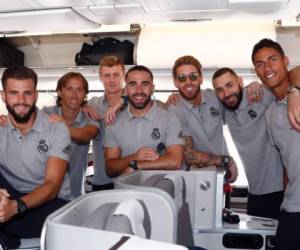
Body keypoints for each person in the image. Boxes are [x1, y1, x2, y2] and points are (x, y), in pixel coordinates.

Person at [0, 66, 71, 249]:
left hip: (50, 200)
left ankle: (8, 231)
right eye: (14, 93)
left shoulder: (56, 129)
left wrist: (14, 207)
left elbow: (53, 186)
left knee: (14, 223)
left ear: (36, 95)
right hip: (12, 192)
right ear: (3, 96)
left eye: (28, 93)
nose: (21, 100)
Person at [212, 67, 284, 219]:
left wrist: (257, 84)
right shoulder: (225, 108)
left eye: (230, 85)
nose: (226, 93)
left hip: (282, 189)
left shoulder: (260, 94)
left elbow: (290, 78)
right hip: (255, 193)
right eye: (219, 90)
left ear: (240, 81)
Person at [252, 38, 300, 250]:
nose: (267, 67)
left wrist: (294, 91)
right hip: (292, 207)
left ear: (286, 61)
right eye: (260, 63)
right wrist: (284, 199)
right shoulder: (270, 113)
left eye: (272, 59)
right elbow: (286, 160)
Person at [104, 65, 184, 177]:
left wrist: (136, 165)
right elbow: (110, 169)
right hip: (125, 191)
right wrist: (134, 157)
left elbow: (175, 161)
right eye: (133, 84)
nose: (139, 90)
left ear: (153, 88)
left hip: (161, 191)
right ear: (126, 90)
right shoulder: (114, 122)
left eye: (145, 84)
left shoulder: (169, 119)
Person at [168, 55, 238, 182]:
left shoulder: (215, 96)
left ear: (201, 78)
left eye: (193, 76)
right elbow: (189, 155)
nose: (188, 82)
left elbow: (237, 103)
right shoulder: (175, 110)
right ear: (175, 82)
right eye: (182, 78)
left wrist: (252, 87)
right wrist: (226, 160)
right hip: (194, 180)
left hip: (223, 175)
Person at [43, 72, 99, 197]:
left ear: (85, 94)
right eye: (69, 89)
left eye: (79, 90)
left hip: (74, 193)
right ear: (59, 92)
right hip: (45, 191)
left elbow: (85, 135)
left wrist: (61, 126)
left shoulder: (90, 117)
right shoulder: (46, 114)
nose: (74, 95)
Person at [87, 55, 126, 190]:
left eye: (116, 75)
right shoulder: (93, 104)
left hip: (130, 177)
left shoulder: (135, 101)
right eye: (107, 76)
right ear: (100, 77)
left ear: (123, 76)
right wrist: (82, 106)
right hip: (102, 179)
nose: (112, 80)